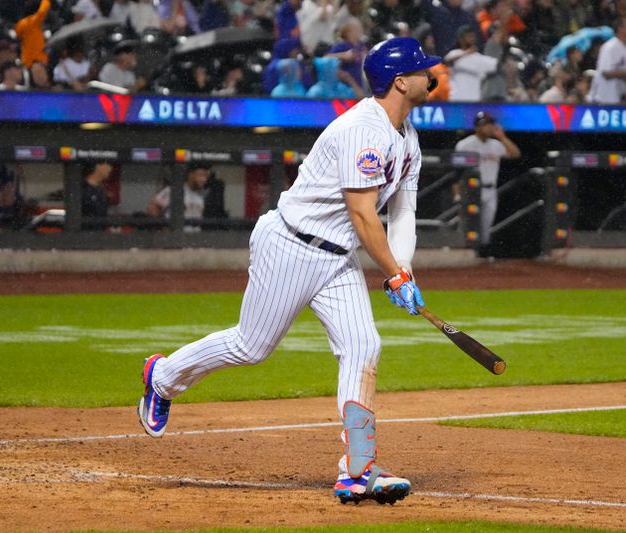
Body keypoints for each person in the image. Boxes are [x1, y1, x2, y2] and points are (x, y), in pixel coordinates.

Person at [137, 36, 440, 505]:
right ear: (401, 82)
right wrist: (393, 275)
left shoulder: (409, 138)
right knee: (251, 347)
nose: (432, 75)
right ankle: (162, 378)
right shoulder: (363, 130)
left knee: (364, 344)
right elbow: (363, 215)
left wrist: (404, 270)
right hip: (291, 244)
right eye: (423, 70)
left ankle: (358, 468)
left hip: (337, 257)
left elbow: (402, 213)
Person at [455, 111, 520, 255]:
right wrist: (457, 193)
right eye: (486, 124)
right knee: (468, 224)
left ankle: (481, 256)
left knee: (485, 227)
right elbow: (457, 172)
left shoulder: (496, 145)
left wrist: (503, 138)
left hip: (490, 190)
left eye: (491, 124)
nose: (490, 128)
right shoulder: (465, 145)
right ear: (477, 127)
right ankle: (465, 254)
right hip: (470, 191)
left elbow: (515, 154)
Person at [588, 17, 626, 104]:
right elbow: (605, 73)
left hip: (621, 99)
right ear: (620, 29)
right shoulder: (609, 47)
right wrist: (624, 73)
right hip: (602, 98)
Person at [146, 162, 211, 220]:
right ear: (191, 175)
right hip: (176, 233)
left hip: (194, 233)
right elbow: (152, 208)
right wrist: (163, 228)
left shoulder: (200, 196)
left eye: (206, 176)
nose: (204, 179)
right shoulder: (174, 190)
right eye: (201, 175)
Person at [14, 0, 50, 69]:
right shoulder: (35, 21)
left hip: (26, 60)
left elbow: (17, 35)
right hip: (38, 59)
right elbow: (42, 11)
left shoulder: (21, 23)